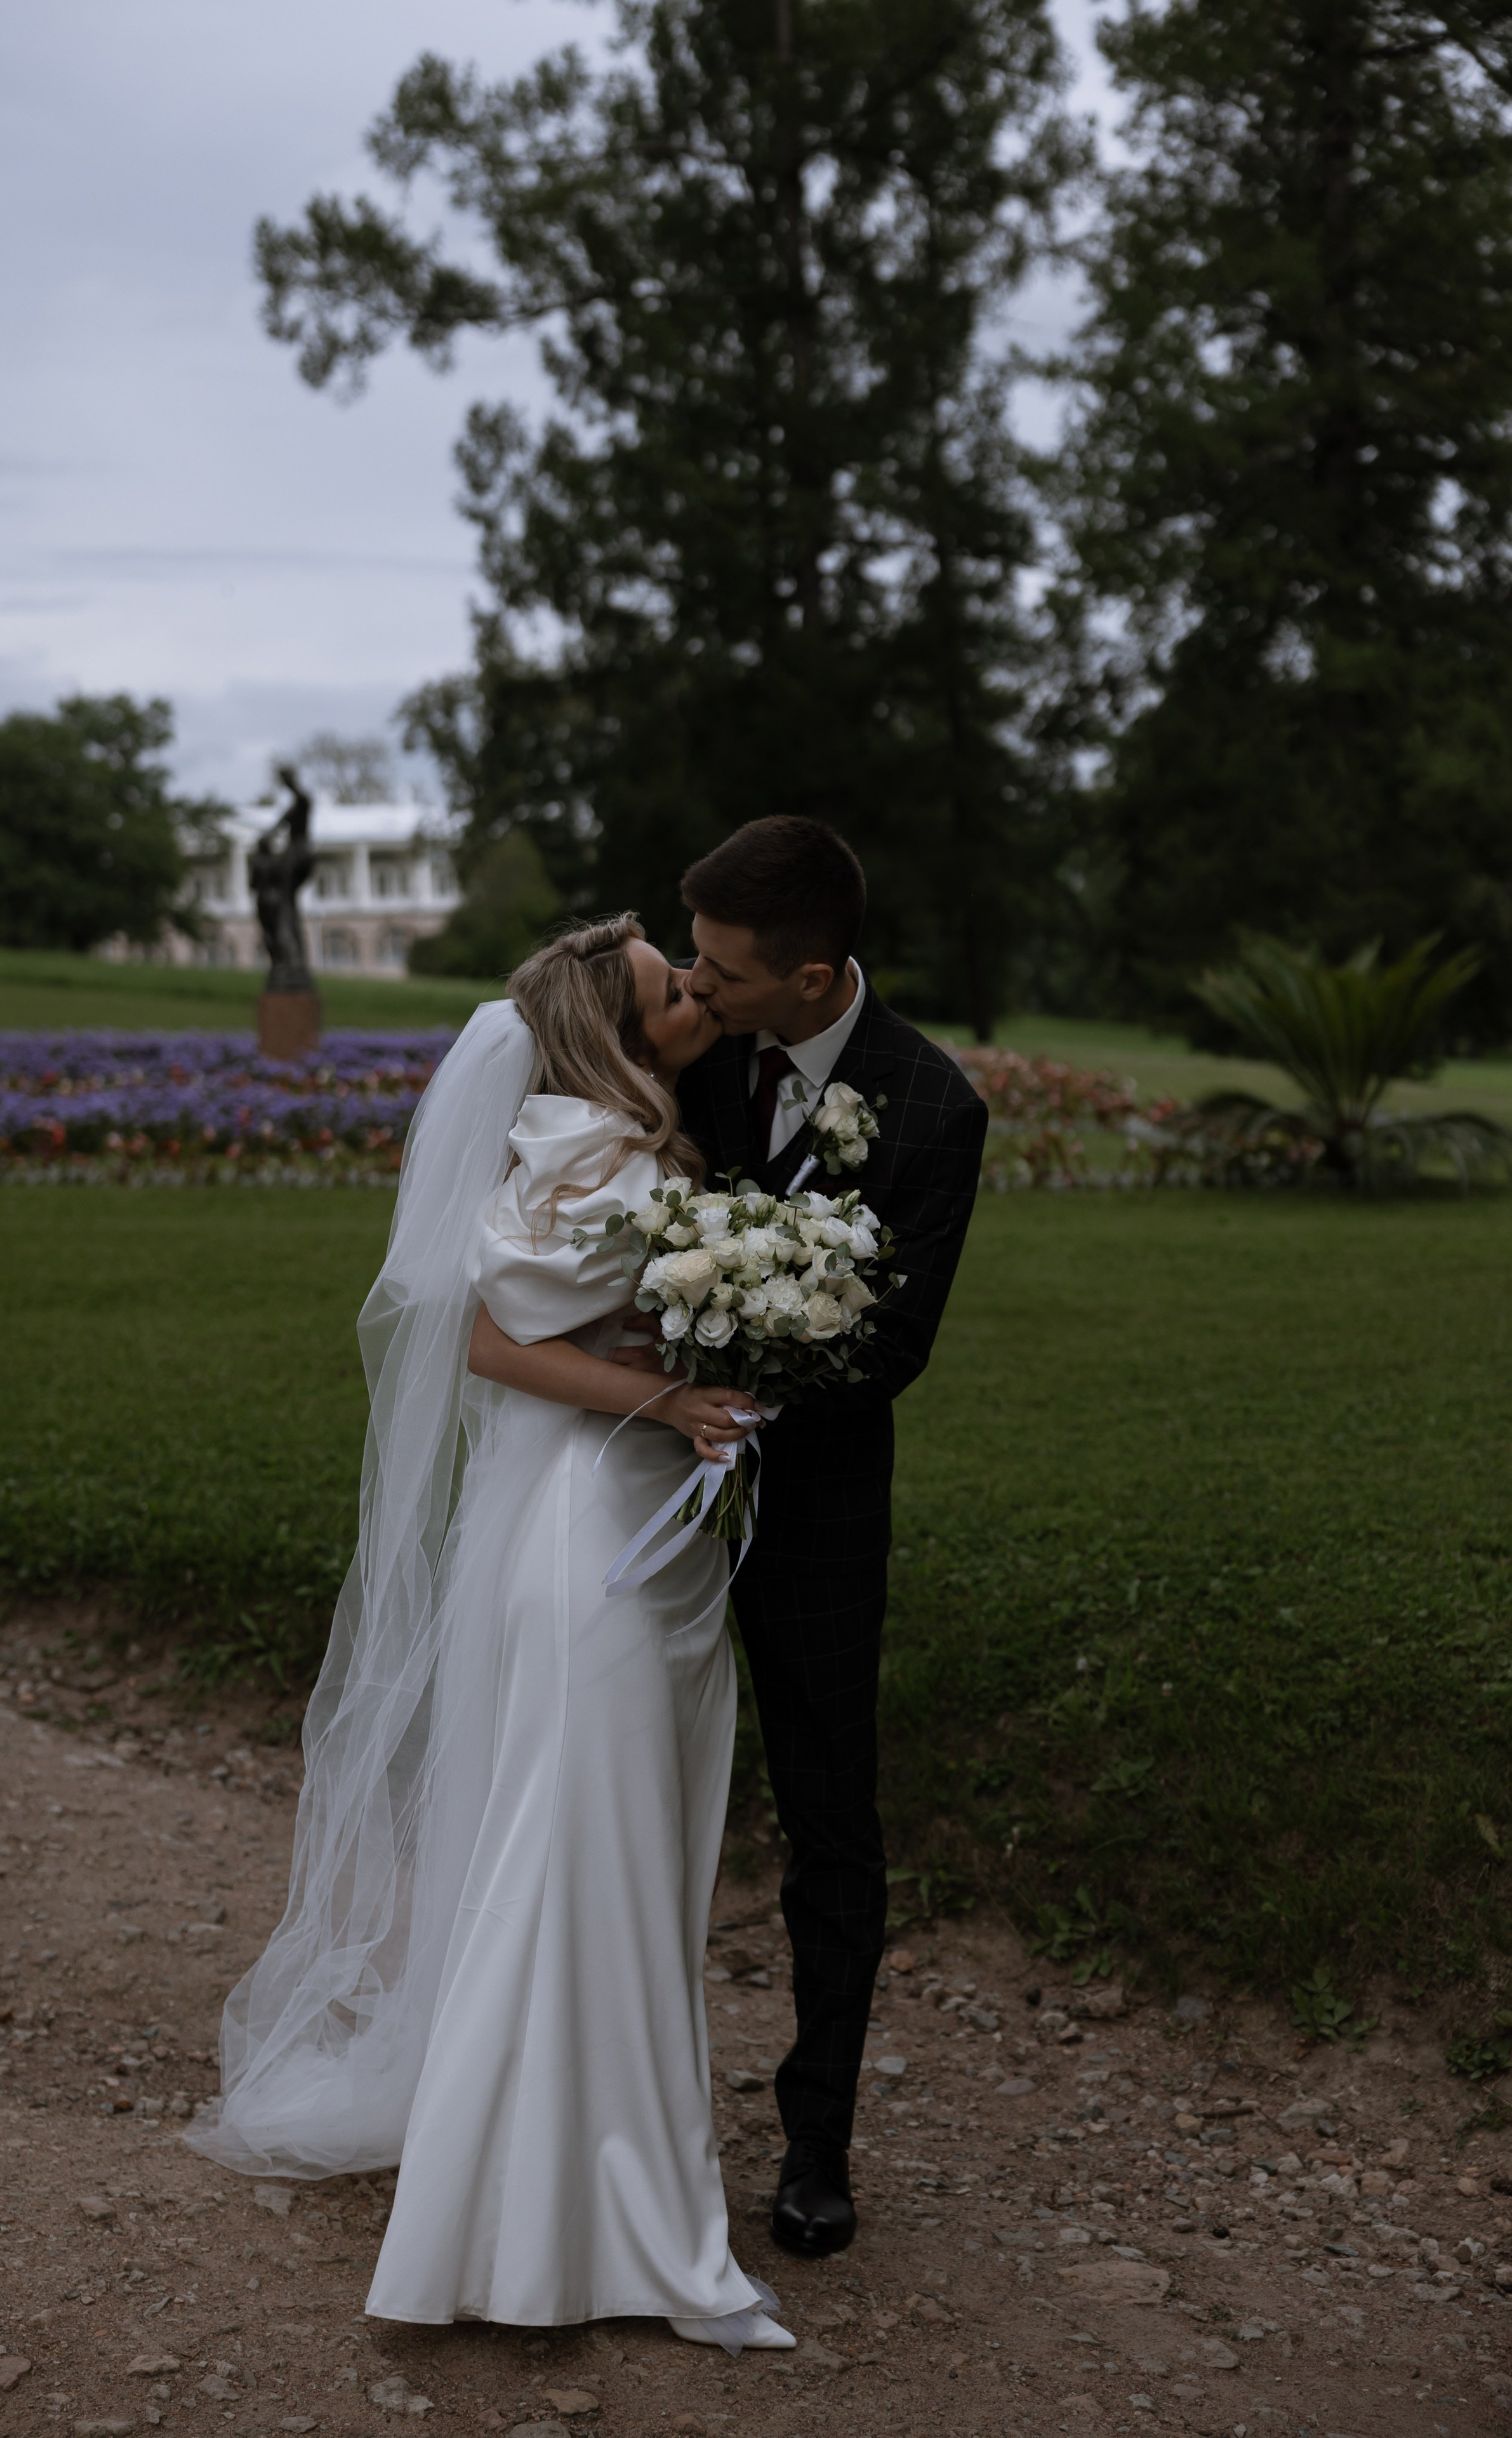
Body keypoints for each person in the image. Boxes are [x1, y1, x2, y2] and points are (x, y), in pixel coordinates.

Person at [187, 916, 793, 2352]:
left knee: (605, 1865)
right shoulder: (600, 1156)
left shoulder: (594, 1138)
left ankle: (575, 2191)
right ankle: (552, 2229)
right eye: (672, 990)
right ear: (621, 1034)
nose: (697, 998)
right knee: (573, 1865)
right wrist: (675, 1398)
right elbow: (491, 1343)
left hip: (597, 1525)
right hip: (591, 1533)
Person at [675, 816, 987, 2259]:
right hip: (638, 1491)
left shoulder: (930, 1106)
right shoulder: (691, 1050)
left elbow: (892, 1345)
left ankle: (815, 2144)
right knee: (617, 1790)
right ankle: (617, 2113)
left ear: (811, 977)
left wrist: (747, 1354)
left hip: (815, 1518)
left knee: (826, 1824)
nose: (698, 988)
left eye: (726, 973)